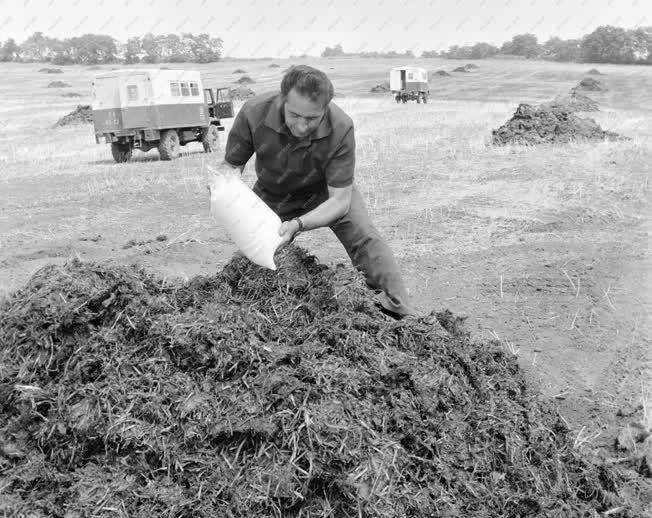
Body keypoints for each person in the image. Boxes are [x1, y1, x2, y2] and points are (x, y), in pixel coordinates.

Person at [218, 65, 417, 319]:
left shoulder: (341, 126)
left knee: (367, 240)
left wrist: (299, 224)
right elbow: (231, 167)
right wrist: (222, 189)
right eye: (294, 115)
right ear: (282, 99)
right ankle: (240, 312)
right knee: (254, 255)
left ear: (325, 108)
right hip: (273, 195)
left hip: (326, 193)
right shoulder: (254, 112)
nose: (301, 126)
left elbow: (340, 201)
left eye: (312, 119)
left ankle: (403, 314)